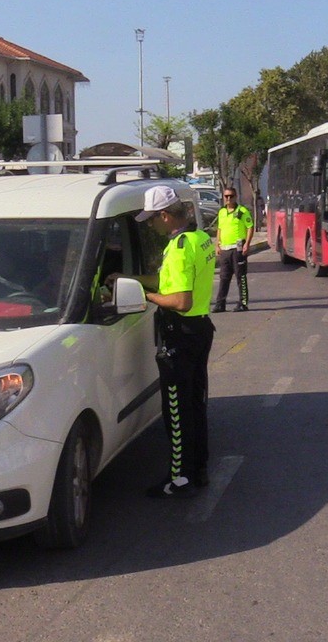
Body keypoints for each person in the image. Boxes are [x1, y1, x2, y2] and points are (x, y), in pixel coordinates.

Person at [116, 185, 216, 498]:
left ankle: (179, 478)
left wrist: (146, 297)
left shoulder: (179, 247)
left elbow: (180, 300)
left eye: (151, 220)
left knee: (175, 411)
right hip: (199, 330)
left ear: (164, 215)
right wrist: (128, 279)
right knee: (195, 403)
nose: (150, 226)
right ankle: (198, 468)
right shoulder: (198, 238)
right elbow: (168, 281)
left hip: (180, 335)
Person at [211, 187, 253, 313]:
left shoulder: (241, 211)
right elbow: (220, 229)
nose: (228, 199)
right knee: (224, 277)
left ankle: (243, 303)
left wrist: (247, 244)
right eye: (226, 196)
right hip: (225, 249)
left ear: (235, 197)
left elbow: (250, 227)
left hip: (238, 248)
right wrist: (217, 244)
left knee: (241, 277)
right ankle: (220, 304)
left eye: (231, 196)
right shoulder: (222, 212)